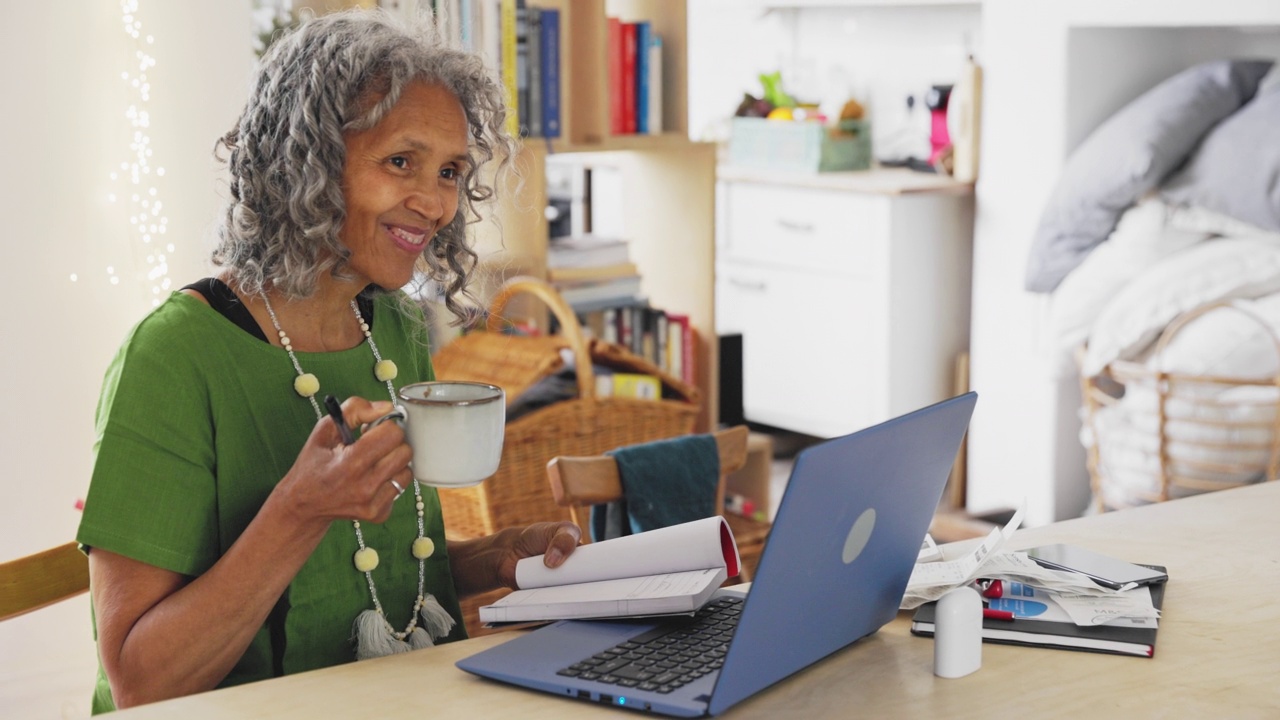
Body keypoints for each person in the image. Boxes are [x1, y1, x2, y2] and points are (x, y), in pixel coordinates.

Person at [75, 9, 580, 712]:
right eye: (400, 161)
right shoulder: (172, 356)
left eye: (451, 171)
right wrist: (297, 511)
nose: (434, 202)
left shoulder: (394, 327)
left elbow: (367, 576)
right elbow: (140, 680)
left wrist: (491, 559)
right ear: (304, 159)